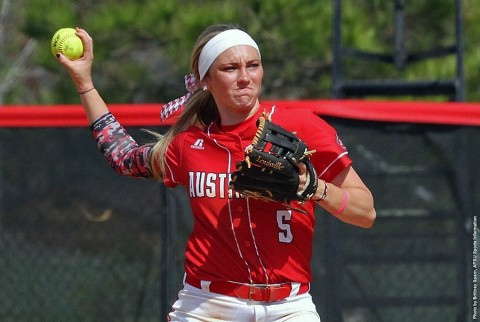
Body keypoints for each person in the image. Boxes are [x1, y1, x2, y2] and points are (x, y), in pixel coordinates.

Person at [57, 23, 376, 322]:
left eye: (253, 65)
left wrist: (316, 188)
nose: (245, 77)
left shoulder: (301, 128)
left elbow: (366, 212)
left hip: (289, 307)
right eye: (230, 68)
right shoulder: (190, 144)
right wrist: (85, 84)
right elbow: (123, 156)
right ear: (205, 80)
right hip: (209, 305)